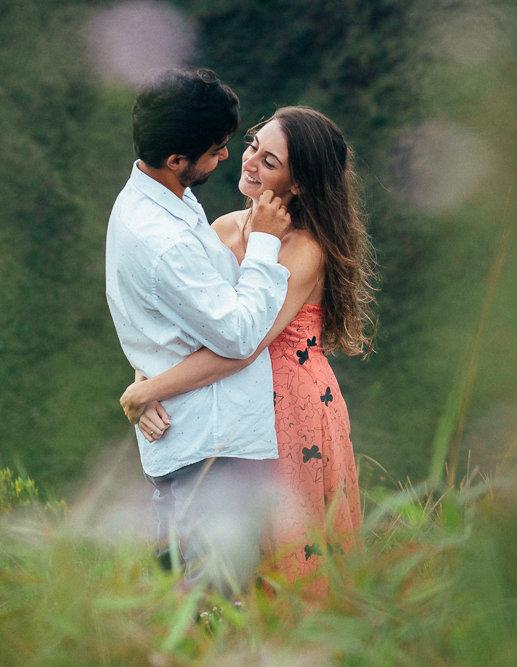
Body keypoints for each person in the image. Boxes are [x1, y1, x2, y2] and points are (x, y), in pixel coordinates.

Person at [120, 106, 376, 599]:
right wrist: (144, 380)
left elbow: (245, 347)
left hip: (291, 407)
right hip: (221, 400)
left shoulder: (305, 249)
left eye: (270, 161)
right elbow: (176, 322)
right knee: (215, 551)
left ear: (299, 185)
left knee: (283, 548)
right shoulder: (223, 227)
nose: (250, 161)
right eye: (254, 146)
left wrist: (148, 391)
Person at [104, 68, 293, 595]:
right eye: (216, 150)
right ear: (175, 160)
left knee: (187, 603)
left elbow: (160, 318)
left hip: (193, 440)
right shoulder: (162, 238)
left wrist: (147, 380)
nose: (228, 157)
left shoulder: (162, 198)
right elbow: (239, 334)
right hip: (210, 450)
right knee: (215, 606)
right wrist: (265, 243)